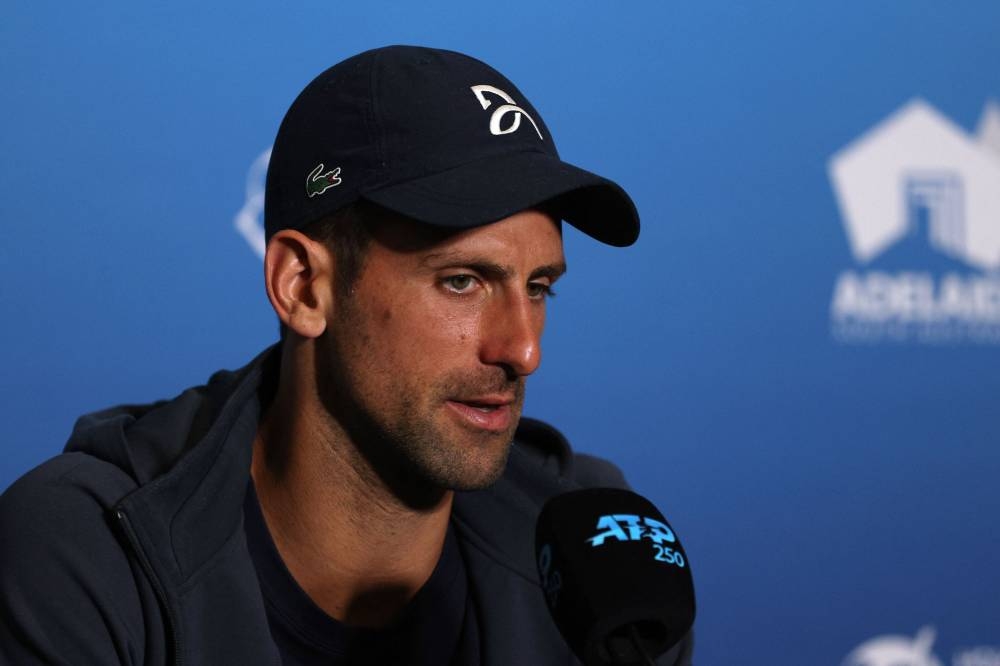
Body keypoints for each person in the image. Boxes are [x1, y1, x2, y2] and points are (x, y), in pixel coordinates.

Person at [0, 46, 693, 665]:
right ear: (302, 287)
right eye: (462, 281)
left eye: (539, 288)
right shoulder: (88, 555)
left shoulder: (602, 562)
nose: (523, 348)